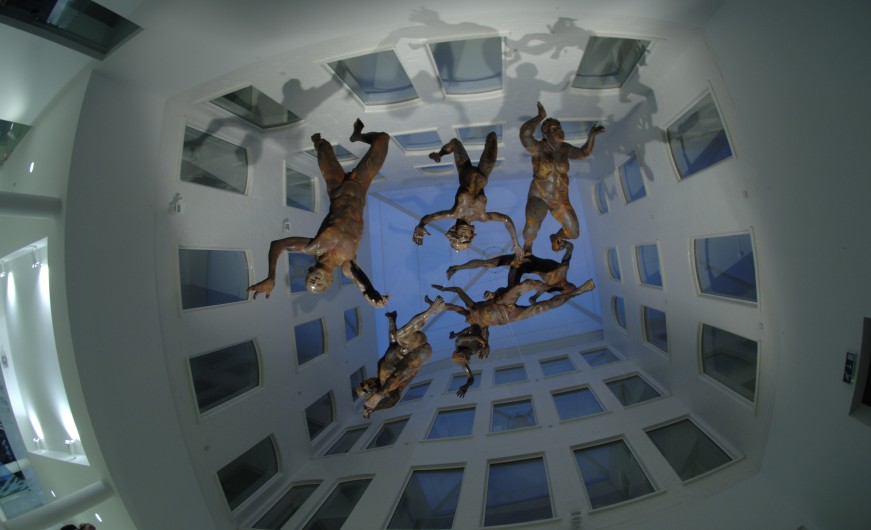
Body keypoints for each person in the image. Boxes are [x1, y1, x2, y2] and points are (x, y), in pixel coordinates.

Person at [247, 119, 390, 307]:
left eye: (312, 281)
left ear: (309, 271)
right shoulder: (347, 265)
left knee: (323, 146)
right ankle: (358, 136)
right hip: (360, 186)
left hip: (337, 188)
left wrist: (271, 276)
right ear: (330, 281)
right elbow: (362, 284)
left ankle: (340, 139)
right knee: (382, 139)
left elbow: (278, 245)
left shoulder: (313, 247)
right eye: (321, 284)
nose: (317, 281)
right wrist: (370, 294)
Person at [430, 277, 595, 398]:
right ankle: (576, 292)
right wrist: (467, 385)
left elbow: (457, 296)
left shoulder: (469, 316)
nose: (467, 355)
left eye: (463, 354)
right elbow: (470, 374)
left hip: (501, 303)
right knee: (542, 307)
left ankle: (556, 287)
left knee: (526, 284)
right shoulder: (478, 335)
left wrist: (439, 300)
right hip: (507, 316)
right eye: (466, 357)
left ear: (459, 351)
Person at [413, 133, 523, 261]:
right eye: (467, 236)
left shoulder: (454, 213)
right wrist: (515, 244)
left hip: (465, 169)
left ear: (454, 230)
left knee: (455, 143)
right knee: (492, 137)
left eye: (461, 235)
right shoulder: (482, 217)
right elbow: (506, 220)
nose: (465, 234)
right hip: (484, 173)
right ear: (471, 235)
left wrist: (420, 226)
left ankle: (439, 154)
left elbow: (430, 217)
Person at [519, 101, 605, 253]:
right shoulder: (538, 148)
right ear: (545, 133)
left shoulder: (565, 149)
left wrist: (591, 136)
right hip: (539, 197)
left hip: (560, 200)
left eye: (560, 128)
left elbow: (584, 153)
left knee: (574, 233)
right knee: (531, 229)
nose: (559, 130)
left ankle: (556, 237)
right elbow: (524, 134)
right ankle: (527, 246)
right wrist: (540, 117)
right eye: (554, 128)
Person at [356, 296, 446, 418]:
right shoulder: (391, 390)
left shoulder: (380, 366)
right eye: (366, 390)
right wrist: (374, 407)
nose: (367, 385)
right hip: (419, 355)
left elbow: (392, 344)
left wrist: (392, 321)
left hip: (412, 343)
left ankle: (432, 310)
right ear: (371, 394)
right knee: (394, 377)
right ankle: (432, 310)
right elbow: (392, 402)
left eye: (363, 384)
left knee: (400, 336)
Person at [445, 240, 576, 302]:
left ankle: (494, 295)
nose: (565, 288)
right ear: (570, 285)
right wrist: (563, 244)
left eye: (566, 291)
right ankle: (456, 267)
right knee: (489, 263)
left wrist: (534, 298)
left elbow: (541, 289)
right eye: (569, 288)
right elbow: (570, 250)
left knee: (511, 291)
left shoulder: (552, 287)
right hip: (524, 258)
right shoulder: (563, 270)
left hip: (519, 268)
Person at [449, 324, 489, 397]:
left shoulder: (460, 341)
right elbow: (471, 378)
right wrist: (467, 385)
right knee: (484, 332)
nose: (468, 358)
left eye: (466, 358)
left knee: (478, 330)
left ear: (461, 353)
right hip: (481, 332)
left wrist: (485, 345)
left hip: (476, 327)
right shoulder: (466, 359)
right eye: (467, 359)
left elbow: (476, 337)